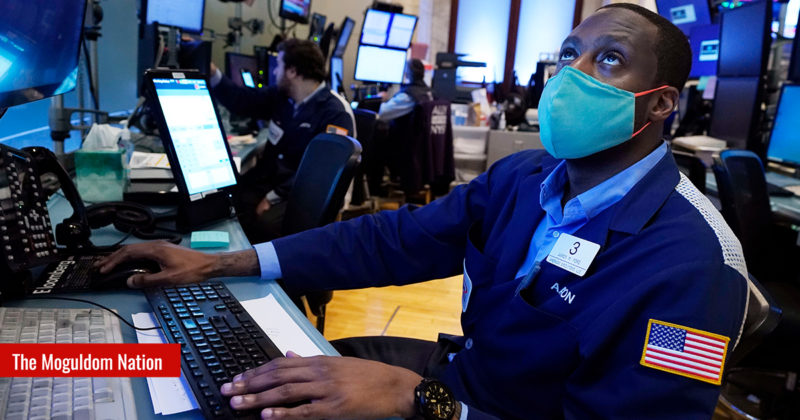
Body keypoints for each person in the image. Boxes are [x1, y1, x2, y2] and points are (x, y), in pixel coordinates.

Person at [99, 4, 749, 419]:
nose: (570, 75)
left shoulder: (697, 270)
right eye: (568, 54)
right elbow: (392, 240)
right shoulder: (524, 178)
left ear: (661, 103)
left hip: (469, 407)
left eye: (608, 60)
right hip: (458, 379)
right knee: (249, 384)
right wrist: (225, 263)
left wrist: (420, 400)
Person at [210, 39, 355, 243]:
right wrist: (212, 73)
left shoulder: (335, 113)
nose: (275, 71)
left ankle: (262, 260)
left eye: (279, 65)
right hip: (272, 181)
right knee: (225, 196)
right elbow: (241, 100)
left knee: (263, 222)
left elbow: (320, 173)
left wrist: (273, 197)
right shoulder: (282, 96)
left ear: (293, 71)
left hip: (303, 193)